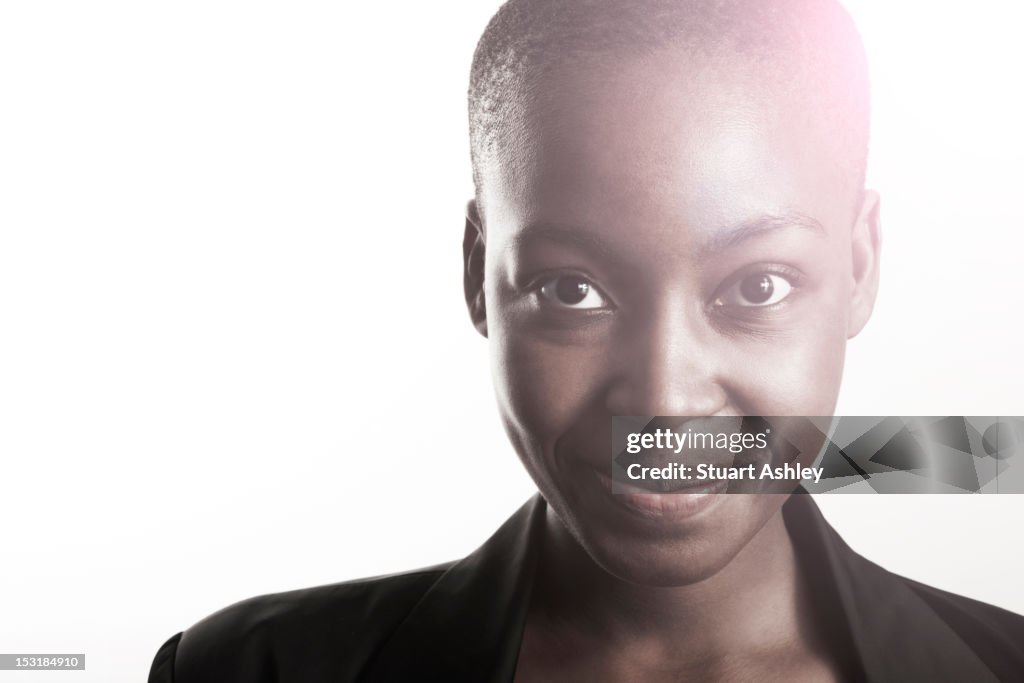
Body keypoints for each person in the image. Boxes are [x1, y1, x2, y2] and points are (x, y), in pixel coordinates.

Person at [148, 1, 1024, 681]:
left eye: (757, 286)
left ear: (860, 267)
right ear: (477, 273)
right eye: (574, 290)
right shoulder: (249, 671)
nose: (664, 399)